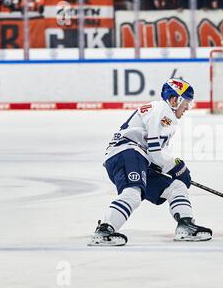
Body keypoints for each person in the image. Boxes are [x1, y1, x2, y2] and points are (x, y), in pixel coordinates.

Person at [88, 79, 212, 246]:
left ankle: (185, 226)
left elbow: (154, 155)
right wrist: (176, 166)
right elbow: (154, 150)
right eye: (186, 102)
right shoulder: (163, 111)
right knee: (133, 191)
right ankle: (104, 230)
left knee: (176, 186)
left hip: (137, 157)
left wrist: (173, 170)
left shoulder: (163, 113)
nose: (187, 108)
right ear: (175, 100)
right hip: (127, 152)